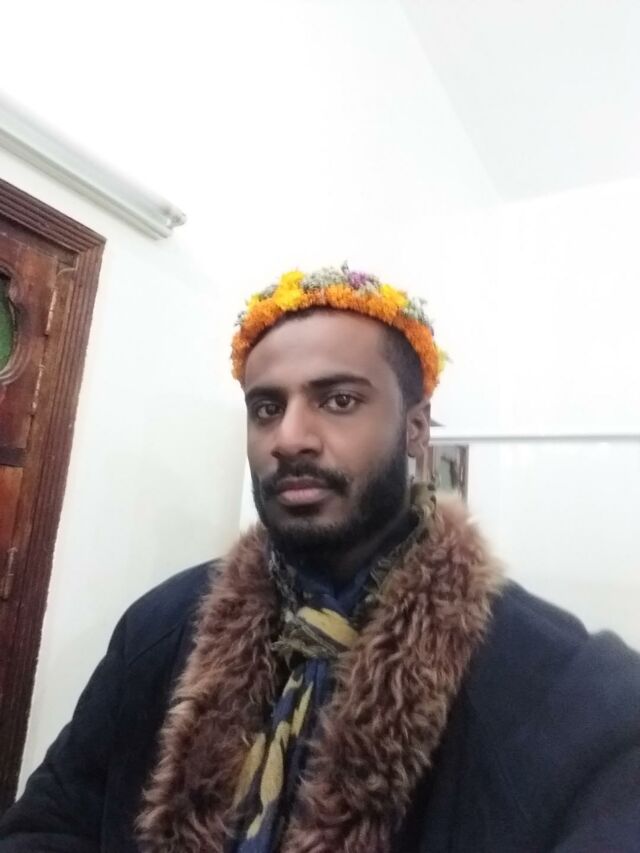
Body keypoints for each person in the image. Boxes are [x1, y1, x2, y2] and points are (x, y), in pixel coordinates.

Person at [1, 265, 639, 853]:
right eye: (267, 408)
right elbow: (49, 826)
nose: (289, 439)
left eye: (339, 401)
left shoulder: (573, 693)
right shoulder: (161, 627)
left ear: (416, 429)